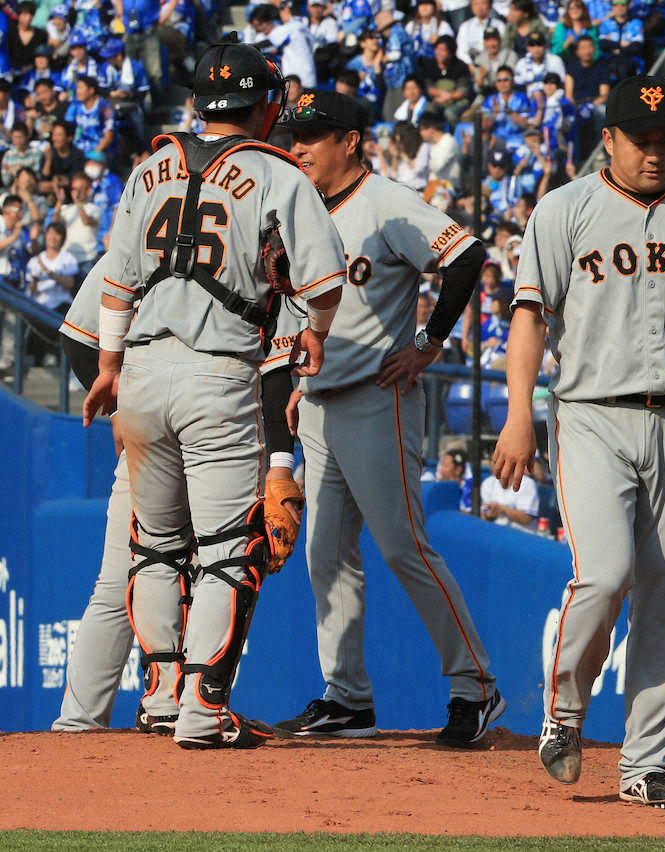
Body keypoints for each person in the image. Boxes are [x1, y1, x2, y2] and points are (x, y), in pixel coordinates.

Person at [492, 76, 665, 807]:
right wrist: (518, 414)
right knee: (602, 575)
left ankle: (646, 764)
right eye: (641, 138)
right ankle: (564, 715)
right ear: (608, 138)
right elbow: (530, 319)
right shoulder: (564, 210)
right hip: (589, 413)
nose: (655, 151)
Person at [81, 40, 347, 750]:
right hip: (217, 370)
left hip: (138, 367)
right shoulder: (277, 172)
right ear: (267, 107)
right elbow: (323, 286)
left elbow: (116, 284)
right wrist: (315, 331)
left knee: (155, 545)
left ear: (197, 104)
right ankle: (203, 708)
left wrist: (109, 366)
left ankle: (163, 695)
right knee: (230, 548)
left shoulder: (149, 166)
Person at [277, 90, 504, 747]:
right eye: (296, 136)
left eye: (313, 136)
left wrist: (430, 342)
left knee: (404, 547)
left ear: (350, 141)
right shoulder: (303, 211)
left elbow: (466, 256)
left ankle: (476, 687)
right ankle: (347, 699)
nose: (299, 147)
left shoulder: (387, 202)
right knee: (325, 555)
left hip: (380, 397)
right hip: (320, 401)